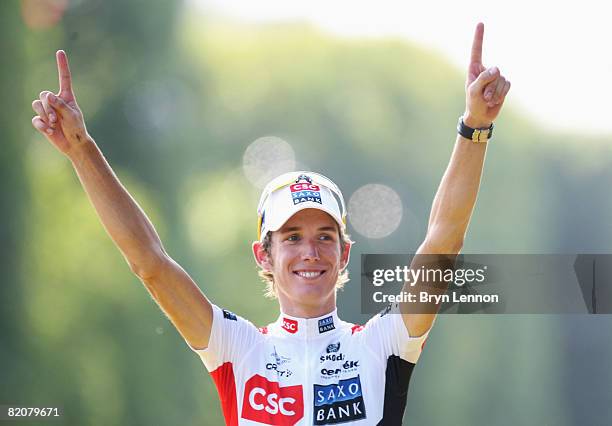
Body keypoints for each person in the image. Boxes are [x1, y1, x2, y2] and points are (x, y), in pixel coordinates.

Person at [31, 23, 509, 426]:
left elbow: (443, 240)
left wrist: (475, 127)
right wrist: (81, 151)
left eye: (325, 237)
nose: (310, 252)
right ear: (264, 254)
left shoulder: (384, 343)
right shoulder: (236, 348)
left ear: (345, 253)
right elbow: (149, 263)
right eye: (292, 237)